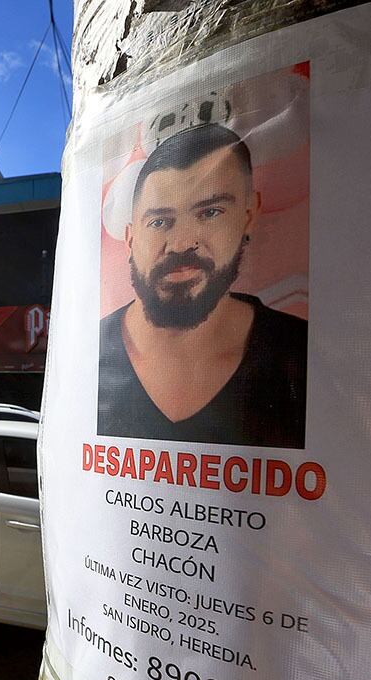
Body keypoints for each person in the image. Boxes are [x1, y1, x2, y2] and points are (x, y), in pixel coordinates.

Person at [98, 123, 307, 448]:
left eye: (210, 212)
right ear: (130, 238)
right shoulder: (90, 356)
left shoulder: (300, 355)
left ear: (249, 215)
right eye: (159, 222)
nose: (181, 243)